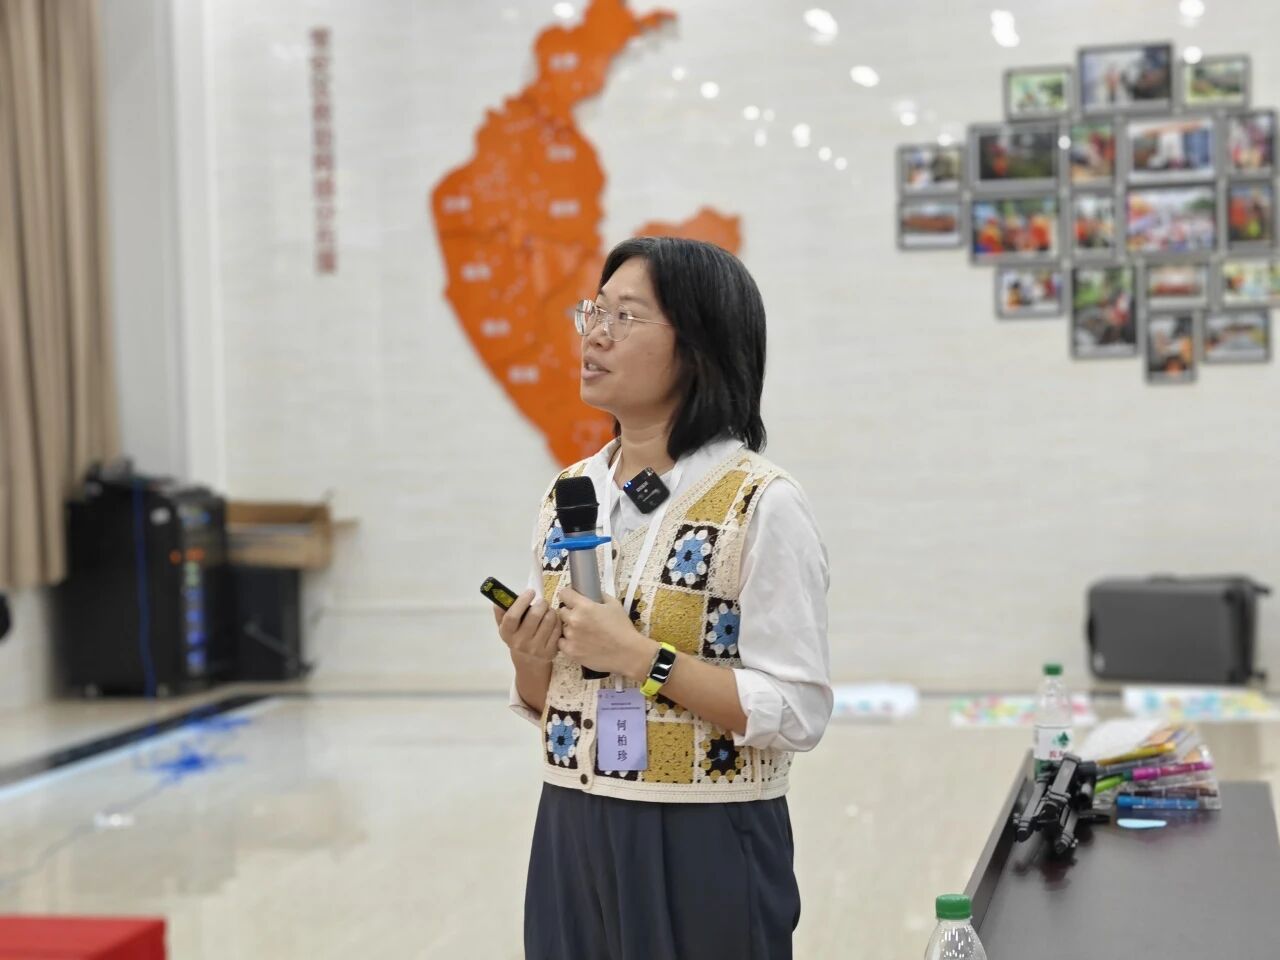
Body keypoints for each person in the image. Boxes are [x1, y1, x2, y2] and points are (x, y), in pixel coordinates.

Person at [494, 236, 832, 959]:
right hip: (571, 824)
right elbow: (558, 698)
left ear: (699, 346)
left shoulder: (760, 502)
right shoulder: (568, 494)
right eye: (593, 311)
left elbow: (799, 711)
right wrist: (529, 658)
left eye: (626, 316)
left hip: (704, 831)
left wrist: (643, 658)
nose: (594, 334)